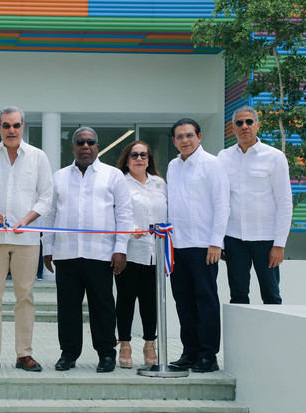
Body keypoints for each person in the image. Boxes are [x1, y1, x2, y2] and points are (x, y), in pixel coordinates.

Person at [0, 106, 53, 372]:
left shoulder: (38, 158)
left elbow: (47, 197)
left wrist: (27, 219)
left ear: (23, 126)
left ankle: (24, 354)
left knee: (25, 296)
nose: (11, 130)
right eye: (6, 125)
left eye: (15, 125)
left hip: (26, 238)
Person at [43, 127, 133, 373]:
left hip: (101, 254)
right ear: (73, 147)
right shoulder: (59, 177)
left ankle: (106, 354)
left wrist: (121, 249)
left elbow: (124, 215)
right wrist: (47, 248)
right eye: (80, 142)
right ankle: (68, 354)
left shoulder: (113, 176)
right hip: (66, 254)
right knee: (68, 307)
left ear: (97, 146)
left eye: (90, 142)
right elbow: (50, 215)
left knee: (102, 307)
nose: (85, 146)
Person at [167, 118, 230, 373]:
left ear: (199, 136)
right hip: (177, 245)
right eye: (180, 137)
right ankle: (189, 352)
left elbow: (222, 205)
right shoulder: (173, 166)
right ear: (174, 141)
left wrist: (216, 242)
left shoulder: (212, 164)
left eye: (189, 135)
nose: (185, 140)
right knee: (183, 300)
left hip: (203, 246)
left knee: (205, 300)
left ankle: (208, 355)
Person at [218, 106, 292, 304]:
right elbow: (220, 199)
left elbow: (285, 202)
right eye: (239, 123)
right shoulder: (223, 157)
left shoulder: (275, 157)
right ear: (232, 128)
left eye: (249, 122)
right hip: (234, 238)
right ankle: (242, 336)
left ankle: (273, 335)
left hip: (266, 239)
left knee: (271, 295)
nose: (245, 126)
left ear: (257, 125)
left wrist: (279, 244)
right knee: (238, 294)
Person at [115, 141, 166, 368]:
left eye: (143, 155)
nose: (139, 159)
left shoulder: (160, 184)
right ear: (127, 160)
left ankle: (149, 344)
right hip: (130, 252)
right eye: (134, 155)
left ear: (149, 159)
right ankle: (124, 343)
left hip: (155, 252)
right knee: (126, 300)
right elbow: (113, 215)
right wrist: (129, 231)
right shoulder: (120, 183)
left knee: (150, 302)